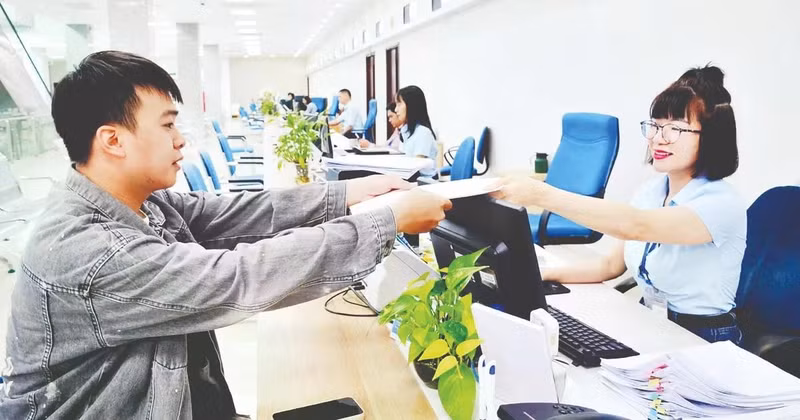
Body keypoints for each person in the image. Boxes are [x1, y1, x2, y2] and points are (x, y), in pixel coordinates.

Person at [0, 51, 452, 419]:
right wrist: (386, 221)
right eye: (167, 125)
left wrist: (352, 192)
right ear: (112, 140)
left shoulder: (137, 202)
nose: (180, 140)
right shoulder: (89, 249)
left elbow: (230, 213)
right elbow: (235, 277)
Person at [492, 65, 746, 344]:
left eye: (674, 129)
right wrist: (540, 273)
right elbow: (610, 265)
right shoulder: (651, 191)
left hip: (704, 338)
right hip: (652, 324)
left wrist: (541, 195)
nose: (657, 138)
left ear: (710, 137)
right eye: (656, 125)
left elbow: (636, 226)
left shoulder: (721, 203)